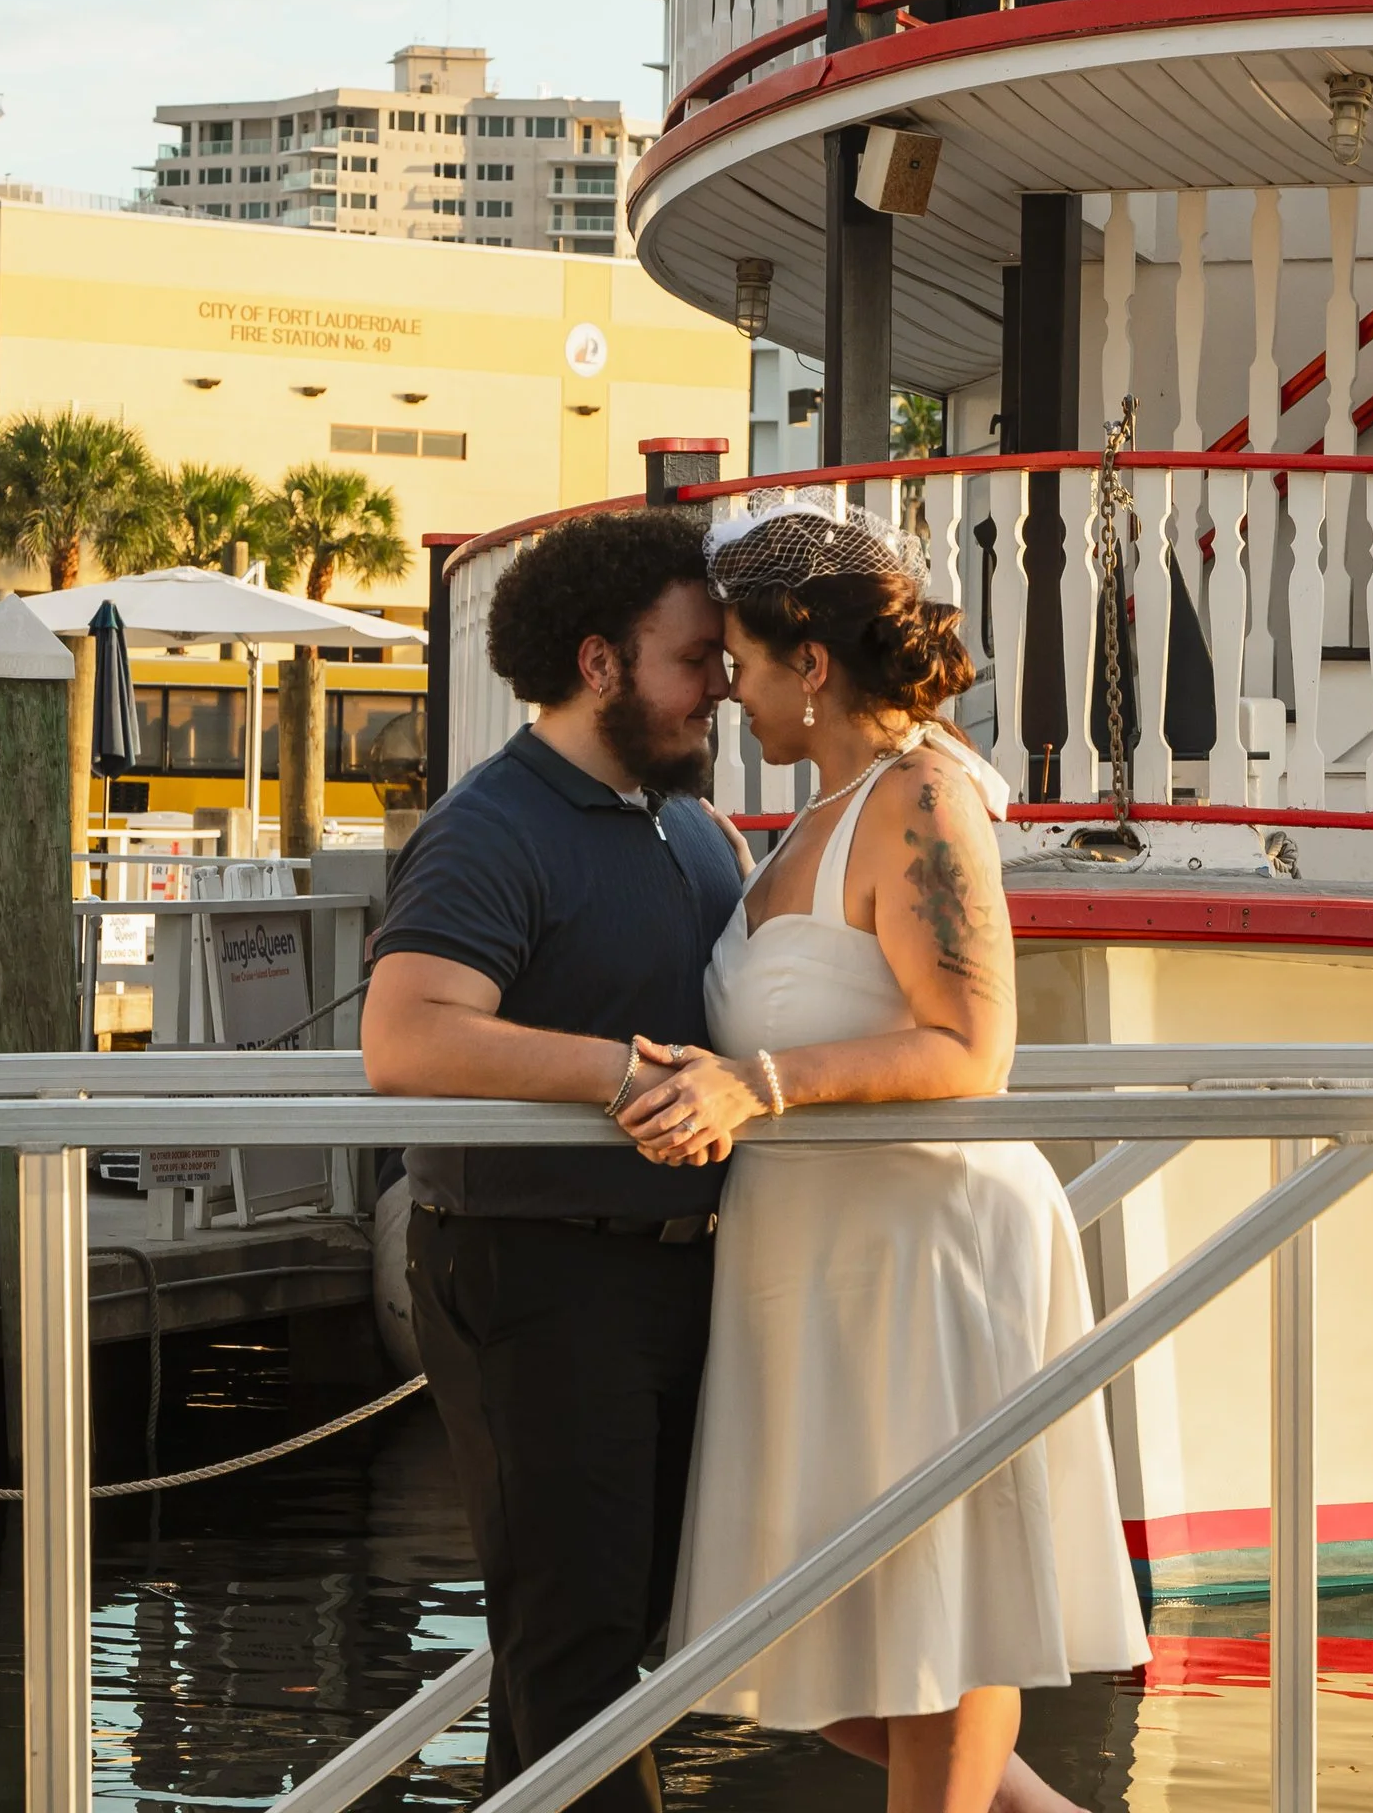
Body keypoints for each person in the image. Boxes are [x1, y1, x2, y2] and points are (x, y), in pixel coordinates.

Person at [619, 500, 1151, 1813]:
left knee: (947, 1602)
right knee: (784, 1631)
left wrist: (760, 1084)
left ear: (810, 664)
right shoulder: (807, 820)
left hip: (929, 1251)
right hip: (818, 1270)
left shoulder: (918, 795)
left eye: (739, 659)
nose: (726, 688)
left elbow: (970, 1045)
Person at [358, 509, 743, 1813]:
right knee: (576, 1655)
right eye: (696, 661)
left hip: (671, 1274)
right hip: (535, 1272)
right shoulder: (492, 827)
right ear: (600, 664)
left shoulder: (693, 831)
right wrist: (619, 1073)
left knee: (594, 1645)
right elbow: (406, 1036)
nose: (722, 690)